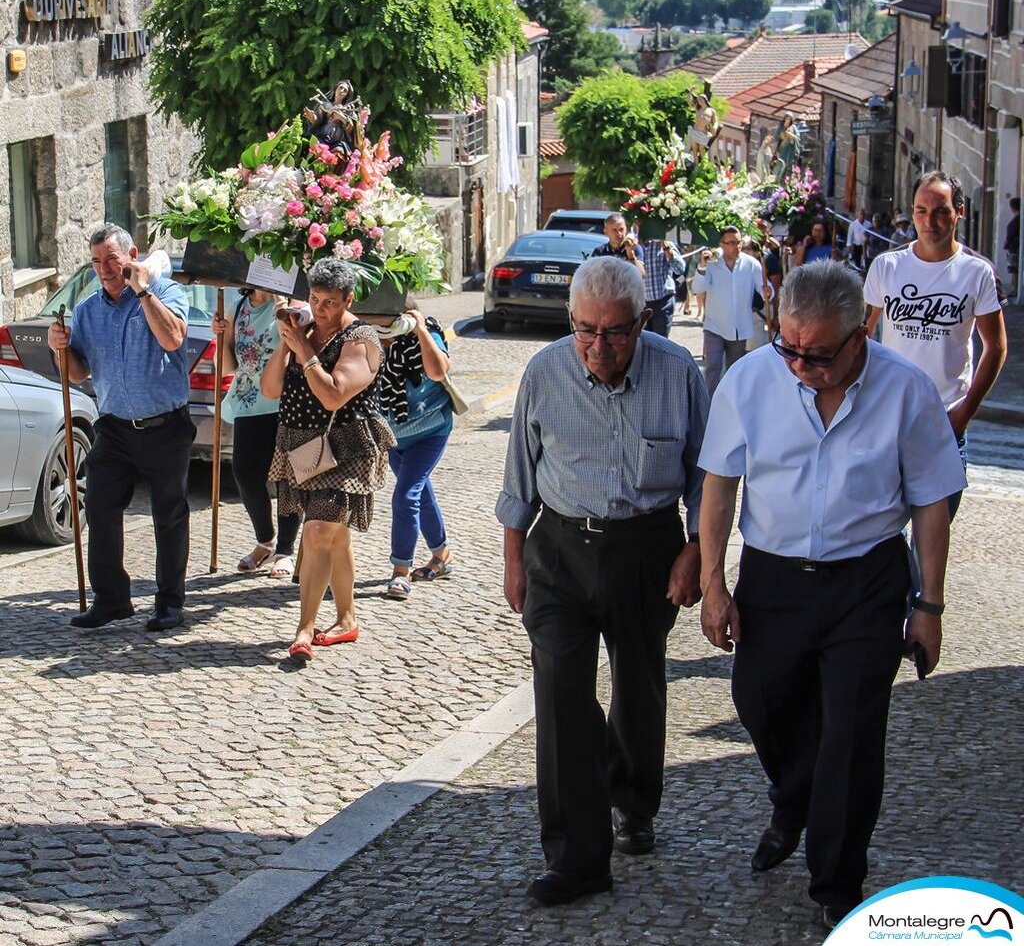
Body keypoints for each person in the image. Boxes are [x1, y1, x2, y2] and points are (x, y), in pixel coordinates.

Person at [697, 259, 967, 931]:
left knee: (851, 732)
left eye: (816, 354)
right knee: (759, 701)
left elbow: (933, 500)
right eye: (788, 345)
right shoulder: (750, 379)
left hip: (867, 580)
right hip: (774, 576)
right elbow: (719, 484)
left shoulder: (906, 391)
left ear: (861, 332)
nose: (798, 365)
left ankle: (836, 880)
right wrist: (713, 581)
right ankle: (792, 801)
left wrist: (929, 605)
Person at [497, 256, 708, 907]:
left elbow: (707, 477)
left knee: (639, 682)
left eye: (615, 332)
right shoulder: (545, 371)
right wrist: (512, 557)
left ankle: (634, 798)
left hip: (646, 548)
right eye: (586, 330)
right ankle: (577, 857)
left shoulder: (679, 374)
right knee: (562, 692)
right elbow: (518, 474)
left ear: (643, 322)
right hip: (558, 548)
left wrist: (698, 550)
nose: (598, 346)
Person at [46, 224, 195, 631]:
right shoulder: (87, 310)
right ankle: (112, 599)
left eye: (111, 259)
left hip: (165, 425)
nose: (105, 269)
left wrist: (144, 291)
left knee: (168, 513)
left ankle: (169, 603)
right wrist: (60, 349)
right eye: (96, 262)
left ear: (132, 254)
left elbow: (172, 338)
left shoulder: (165, 292)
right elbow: (77, 374)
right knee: (99, 506)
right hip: (113, 426)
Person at [262, 257, 395, 662]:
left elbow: (334, 394)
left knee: (318, 531)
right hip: (303, 444)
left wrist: (303, 349)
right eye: (315, 299)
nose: (319, 309)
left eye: (330, 303)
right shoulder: (303, 333)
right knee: (335, 537)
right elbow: (270, 390)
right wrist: (287, 344)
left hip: (348, 447)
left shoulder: (362, 339)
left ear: (348, 300)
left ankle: (304, 628)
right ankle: (347, 618)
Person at [865, 170, 1007, 521]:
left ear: (959, 212)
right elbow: (862, 336)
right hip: (889, 419)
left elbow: (996, 346)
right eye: (921, 211)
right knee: (883, 535)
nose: (930, 221)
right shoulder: (887, 266)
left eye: (941, 211)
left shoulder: (977, 273)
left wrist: (965, 411)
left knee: (934, 535)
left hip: (945, 423)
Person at [211, 289, 301, 580]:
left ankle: (285, 551)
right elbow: (225, 366)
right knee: (246, 474)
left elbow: (299, 346)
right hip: (250, 401)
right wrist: (220, 336)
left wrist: (282, 305)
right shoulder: (238, 308)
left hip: (286, 403)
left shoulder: (291, 304)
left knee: (288, 478)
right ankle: (266, 540)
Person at [369, 306, 454, 601]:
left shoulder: (425, 334)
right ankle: (442, 555)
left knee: (406, 496)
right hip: (394, 436)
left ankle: (400, 572)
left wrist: (419, 330)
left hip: (430, 431)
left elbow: (438, 370)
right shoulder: (370, 338)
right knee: (421, 495)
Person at [689, 226, 764, 396]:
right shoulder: (712, 263)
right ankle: (708, 403)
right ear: (721, 244)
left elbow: (765, 289)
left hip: (739, 328)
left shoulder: (751, 263)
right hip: (714, 326)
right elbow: (697, 288)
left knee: (735, 369)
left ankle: (731, 402)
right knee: (713, 366)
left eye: (738, 242)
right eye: (731, 243)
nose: (736, 247)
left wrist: (769, 291)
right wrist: (702, 267)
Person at [639, 237, 685, 337]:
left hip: (663, 301)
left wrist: (667, 249)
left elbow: (680, 269)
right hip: (642, 305)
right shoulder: (634, 244)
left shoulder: (665, 243)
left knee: (660, 342)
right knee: (642, 341)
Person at [592, 212, 646, 279]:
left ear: (626, 229)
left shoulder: (634, 248)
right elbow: (592, 276)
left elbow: (642, 275)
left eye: (621, 229)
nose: (619, 234)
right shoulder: (600, 252)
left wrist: (631, 256)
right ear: (606, 232)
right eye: (614, 230)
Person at [1004, 196, 1020, 299]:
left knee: (1014, 269)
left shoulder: (1016, 221)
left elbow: (1010, 235)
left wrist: (1006, 244)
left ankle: (1016, 290)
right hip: (1016, 248)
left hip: (1014, 249)